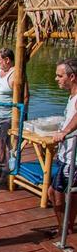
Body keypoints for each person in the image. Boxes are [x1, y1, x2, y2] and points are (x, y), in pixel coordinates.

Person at [0, 48, 29, 164]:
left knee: (10, 141)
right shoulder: (1, 68)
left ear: (7, 60)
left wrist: (21, 116)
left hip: (9, 116)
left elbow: (26, 96)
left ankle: (12, 163)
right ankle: (1, 158)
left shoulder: (16, 74)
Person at [51, 58, 77, 236]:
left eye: (60, 75)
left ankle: (65, 229)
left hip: (72, 157)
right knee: (59, 192)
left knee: (57, 193)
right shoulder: (72, 95)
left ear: (72, 76)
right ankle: (65, 226)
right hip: (65, 153)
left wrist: (65, 131)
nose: (56, 79)